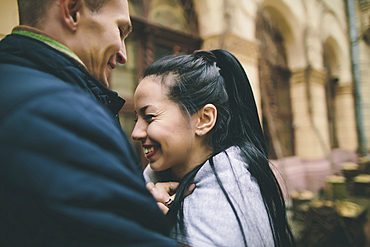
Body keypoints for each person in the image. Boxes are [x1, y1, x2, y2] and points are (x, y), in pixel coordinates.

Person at [0, 0, 179, 246]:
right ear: (72, 11)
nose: (124, 55)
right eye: (120, 30)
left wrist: (126, 197)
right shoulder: (63, 114)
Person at [132, 49, 296, 246]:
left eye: (149, 117)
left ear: (204, 119)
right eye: (136, 119)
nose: (136, 133)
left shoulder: (228, 197)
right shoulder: (156, 181)